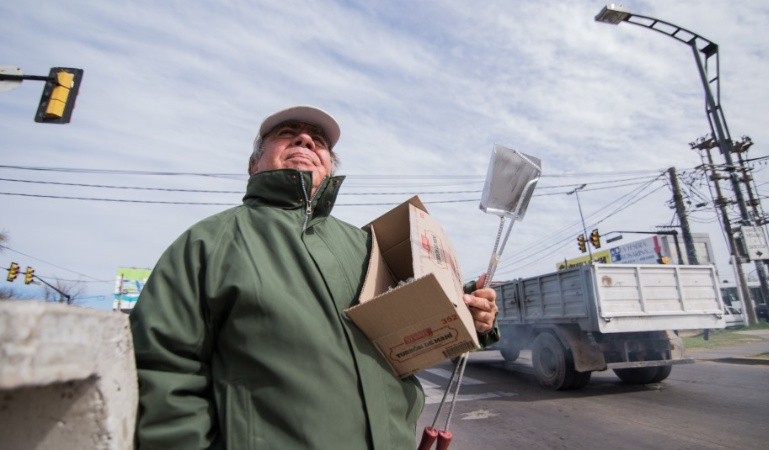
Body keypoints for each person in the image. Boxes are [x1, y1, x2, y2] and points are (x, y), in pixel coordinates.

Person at [129, 105, 499, 450]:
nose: (306, 141)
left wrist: (469, 310)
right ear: (254, 164)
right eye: (288, 133)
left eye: (318, 141)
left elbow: (414, 324)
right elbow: (163, 371)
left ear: (329, 167)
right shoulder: (209, 243)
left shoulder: (367, 246)